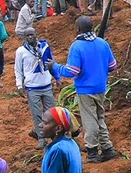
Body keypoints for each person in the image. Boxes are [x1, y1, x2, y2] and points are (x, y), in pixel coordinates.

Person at [51, 16, 119, 163]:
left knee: (90, 119)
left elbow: (72, 71)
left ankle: (93, 151)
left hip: (85, 89)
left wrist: (55, 67)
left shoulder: (77, 46)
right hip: (101, 87)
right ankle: (107, 148)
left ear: (78, 29)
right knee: (100, 116)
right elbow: (113, 66)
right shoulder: (103, 43)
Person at [15, 27, 57, 148]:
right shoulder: (21, 51)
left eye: (32, 34)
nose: (30, 37)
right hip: (32, 87)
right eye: (27, 35)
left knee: (51, 113)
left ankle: (54, 137)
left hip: (46, 85)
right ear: (24, 37)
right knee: (37, 114)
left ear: (36, 34)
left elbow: (51, 61)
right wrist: (19, 85)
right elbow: (18, 70)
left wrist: (56, 77)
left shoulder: (44, 47)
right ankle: (41, 139)